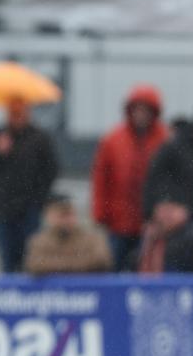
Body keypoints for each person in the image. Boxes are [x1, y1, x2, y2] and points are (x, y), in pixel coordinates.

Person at [91, 85, 168, 271]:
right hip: (119, 222)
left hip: (152, 224)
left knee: (147, 270)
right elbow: (101, 179)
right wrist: (100, 212)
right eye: (137, 109)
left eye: (146, 109)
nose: (141, 115)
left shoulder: (165, 140)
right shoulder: (112, 140)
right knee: (112, 267)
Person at [0, 98, 59, 273]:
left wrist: (38, 200)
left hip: (30, 211)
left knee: (31, 261)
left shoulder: (39, 138)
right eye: (13, 112)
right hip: (4, 210)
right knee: (7, 262)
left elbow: (51, 171)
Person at [23, 194, 112, 275]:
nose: (66, 220)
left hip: (88, 289)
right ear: (49, 218)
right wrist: (78, 263)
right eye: (61, 216)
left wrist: (55, 264)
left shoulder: (93, 237)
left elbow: (101, 261)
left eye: (70, 215)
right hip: (51, 291)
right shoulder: (39, 240)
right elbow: (34, 264)